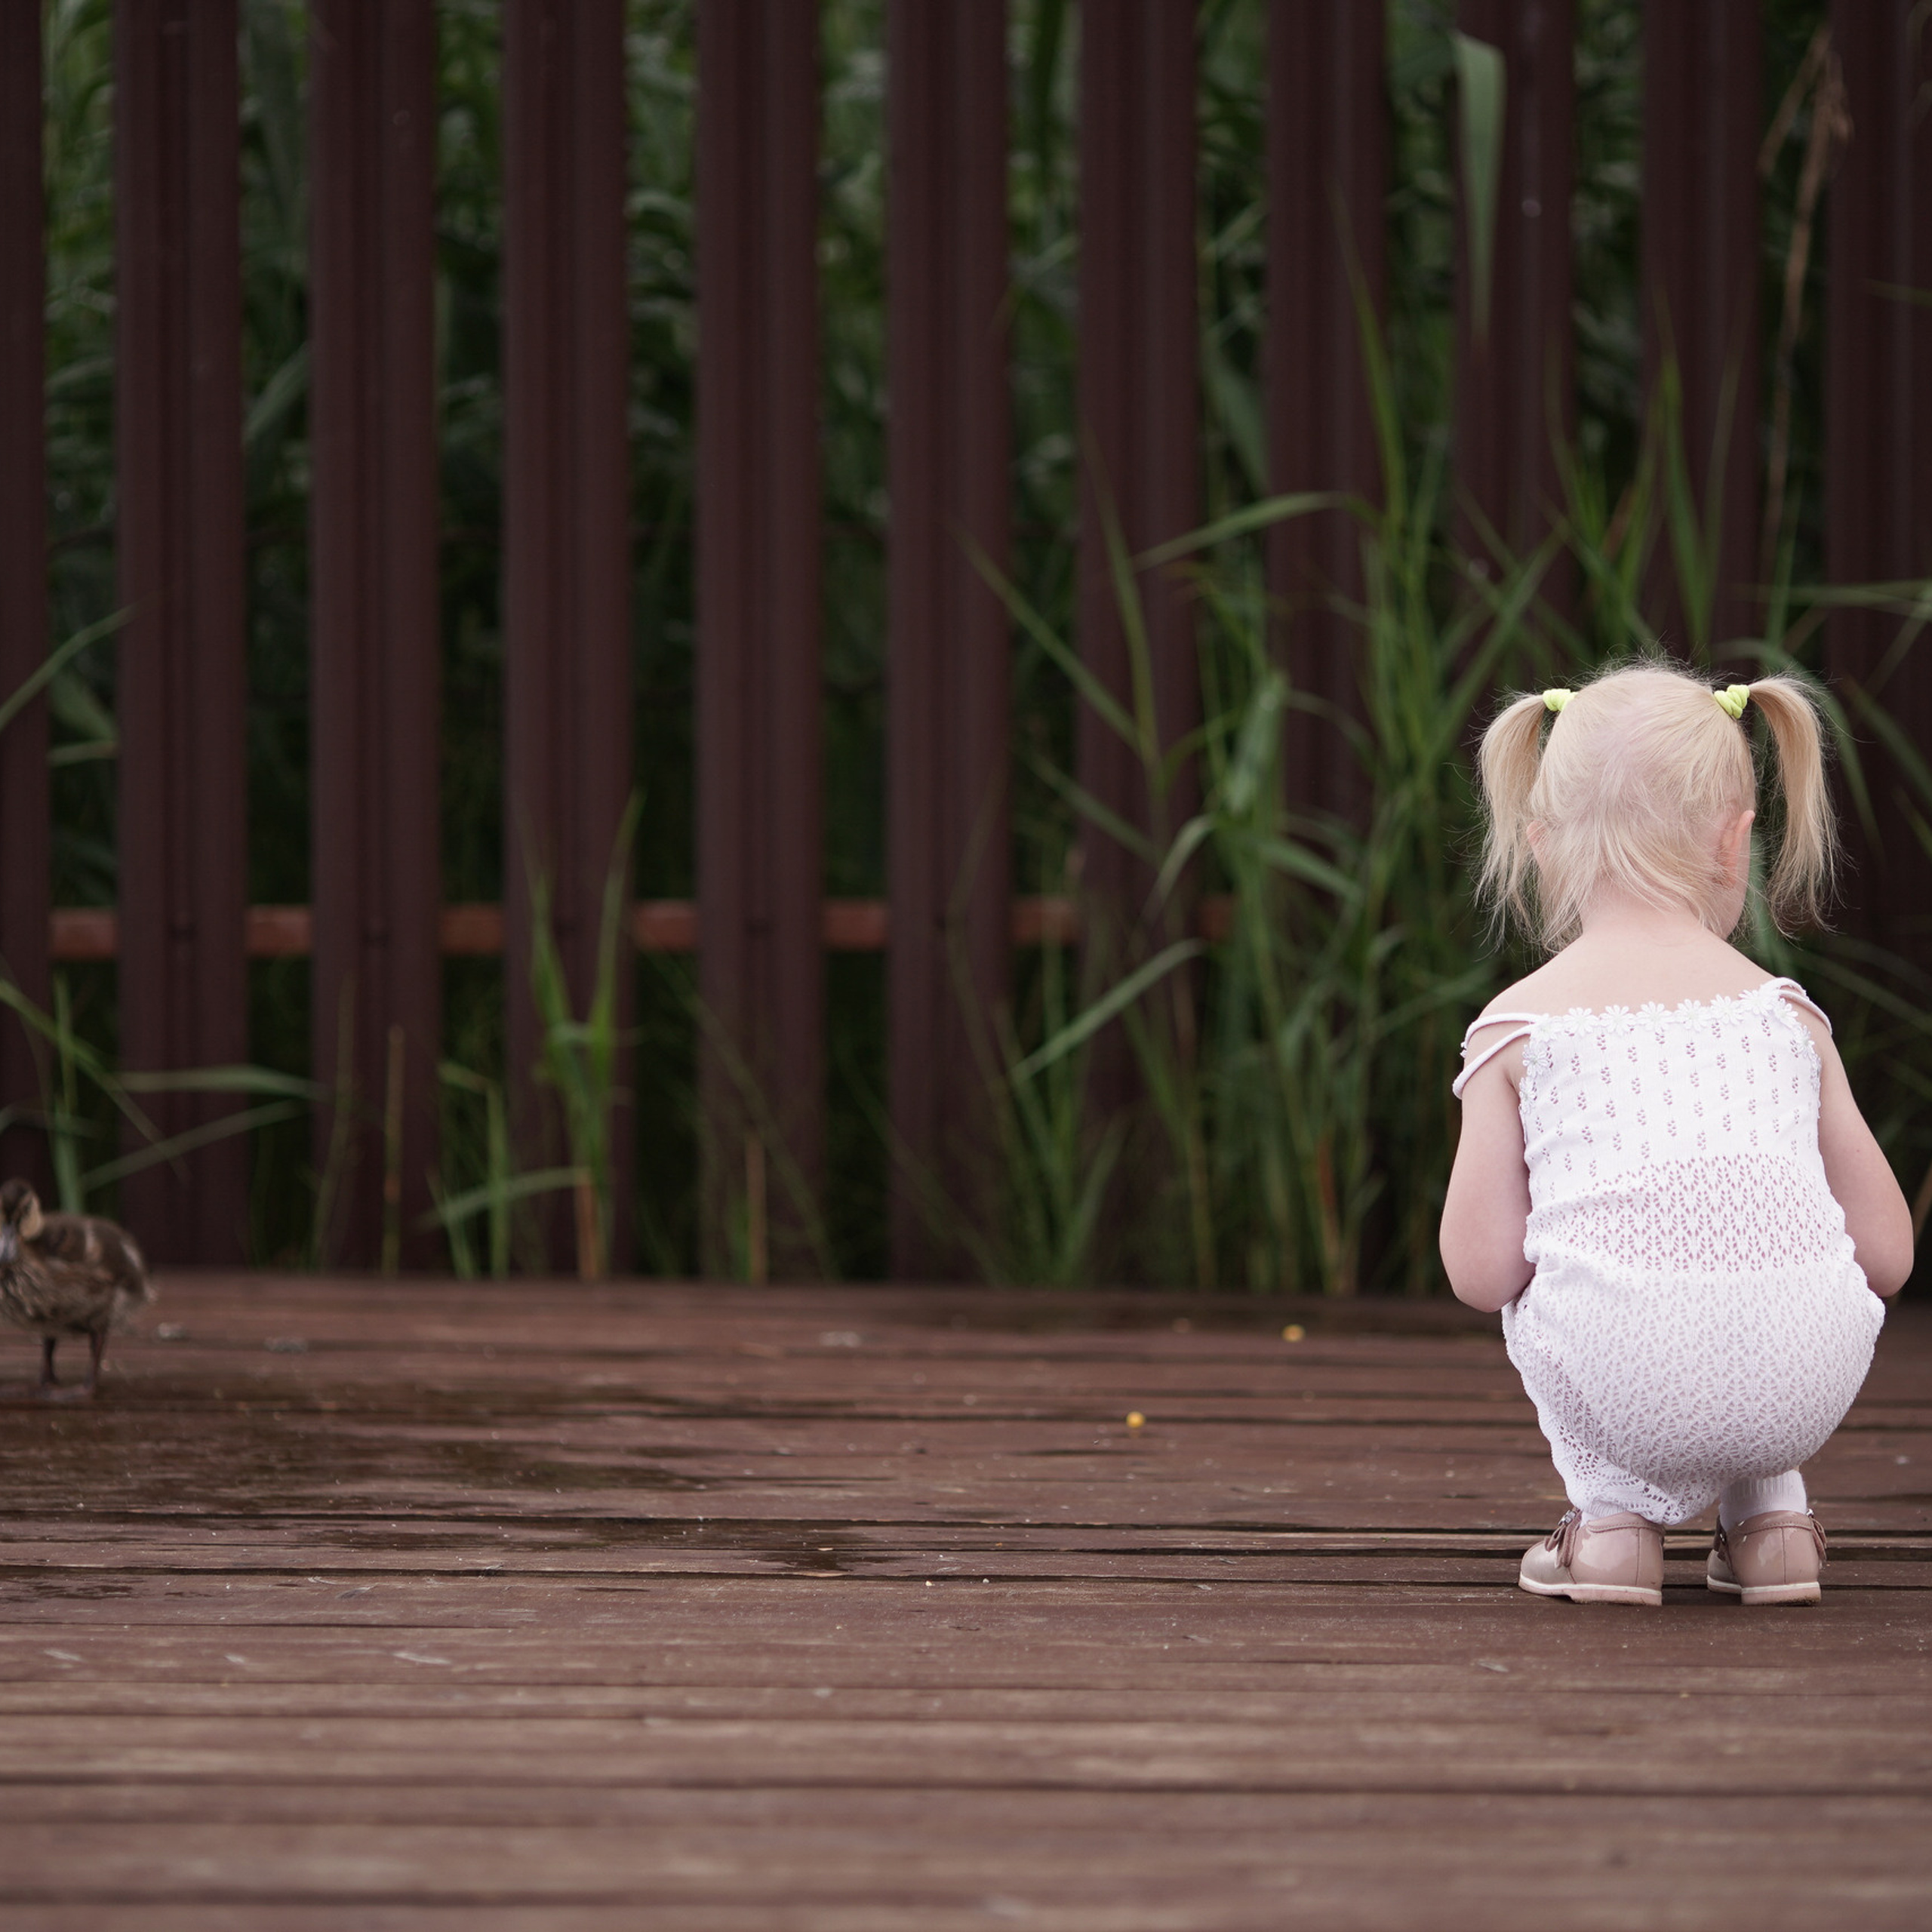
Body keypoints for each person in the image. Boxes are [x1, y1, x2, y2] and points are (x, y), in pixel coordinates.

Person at [1441, 662, 1911, 1607]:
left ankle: (1610, 1523)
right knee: (1750, 1259)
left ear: (1540, 844)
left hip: (1624, 1385)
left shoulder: (1518, 1029)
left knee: (1557, 1282)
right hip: (1805, 1392)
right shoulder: (1788, 1017)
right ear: (1736, 843)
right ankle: (1774, 1524)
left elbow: (1480, 1270)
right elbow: (1888, 1255)